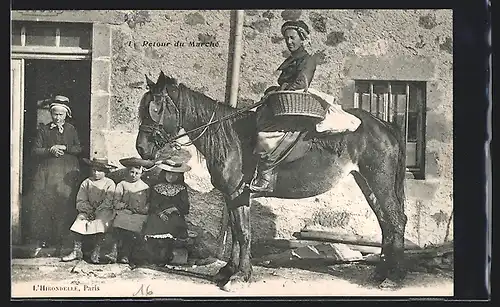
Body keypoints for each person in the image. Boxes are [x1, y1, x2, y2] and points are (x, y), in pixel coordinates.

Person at [249, 20, 318, 192]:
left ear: (302, 38)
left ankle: (266, 177)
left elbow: (301, 83)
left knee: (268, 134)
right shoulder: (291, 60)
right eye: (286, 38)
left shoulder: (307, 60)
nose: (289, 42)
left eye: (292, 38)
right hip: (282, 105)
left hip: (294, 107)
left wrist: (280, 90)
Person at [27, 95, 82, 250]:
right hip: (47, 172)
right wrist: (49, 149)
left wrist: (66, 148)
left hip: (66, 172)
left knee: (64, 203)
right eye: (55, 114)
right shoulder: (44, 130)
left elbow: (79, 148)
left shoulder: (71, 129)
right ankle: (44, 238)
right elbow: (35, 150)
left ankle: (62, 239)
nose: (58, 118)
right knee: (45, 204)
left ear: (66, 115)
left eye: (61, 115)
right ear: (51, 115)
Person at [61, 158, 117, 263]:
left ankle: (97, 251)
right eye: (94, 170)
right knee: (80, 221)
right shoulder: (87, 182)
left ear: (105, 172)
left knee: (101, 222)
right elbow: (81, 199)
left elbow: (109, 201)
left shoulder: (110, 183)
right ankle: (76, 250)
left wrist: (97, 210)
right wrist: (88, 209)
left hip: (104, 210)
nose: (96, 173)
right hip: (89, 210)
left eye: (99, 171)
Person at [142, 159, 191, 266]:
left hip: (174, 215)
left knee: (173, 225)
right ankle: (154, 257)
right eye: (169, 174)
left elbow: (185, 206)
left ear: (179, 176)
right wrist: (160, 213)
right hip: (158, 214)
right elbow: (153, 203)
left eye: (174, 175)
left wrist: (173, 209)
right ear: (164, 173)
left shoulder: (182, 188)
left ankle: (165, 257)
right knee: (155, 224)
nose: (171, 177)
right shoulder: (156, 186)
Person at [111, 157, 153, 264]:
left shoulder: (145, 186)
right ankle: (119, 253)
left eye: (137, 173)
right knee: (122, 222)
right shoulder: (122, 184)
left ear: (141, 174)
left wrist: (145, 209)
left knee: (137, 227)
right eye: (131, 172)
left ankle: (133, 255)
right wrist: (125, 206)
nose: (133, 175)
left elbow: (149, 201)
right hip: (125, 211)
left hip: (140, 214)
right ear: (127, 171)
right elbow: (116, 201)